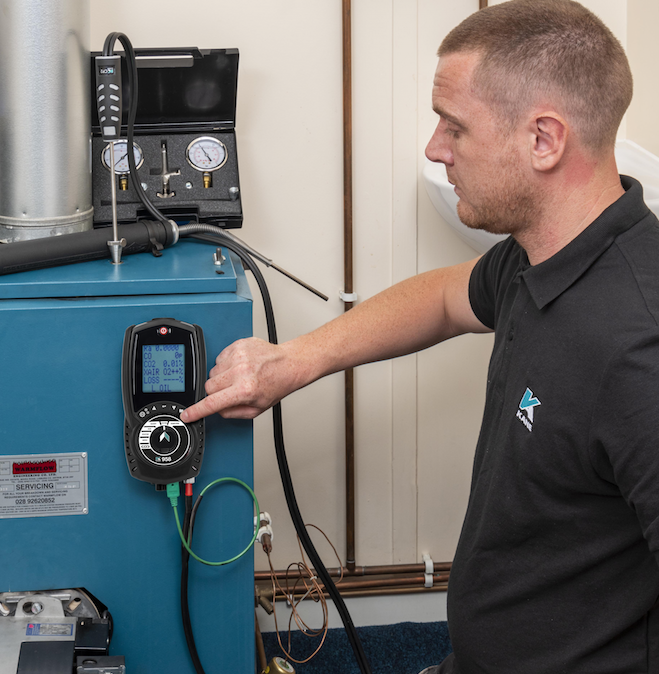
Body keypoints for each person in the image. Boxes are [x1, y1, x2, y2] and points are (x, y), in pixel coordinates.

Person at [182, 1, 659, 671]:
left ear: (544, 141)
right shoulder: (541, 258)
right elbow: (441, 298)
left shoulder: (638, 346)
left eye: (454, 127)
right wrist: (298, 359)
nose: (435, 148)